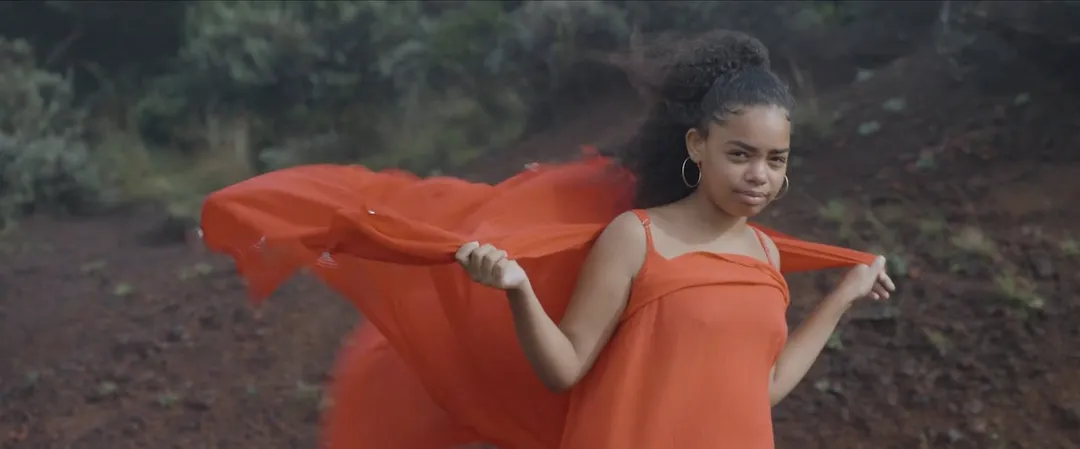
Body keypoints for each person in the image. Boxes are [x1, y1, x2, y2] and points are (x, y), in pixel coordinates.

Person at [199, 30, 893, 449]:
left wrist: (843, 295)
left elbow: (760, 389)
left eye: (774, 160)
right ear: (697, 146)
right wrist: (517, 289)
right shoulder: (636, 237)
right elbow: (565, 367)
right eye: (740, 154)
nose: (758, 175)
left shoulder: (766, 256)